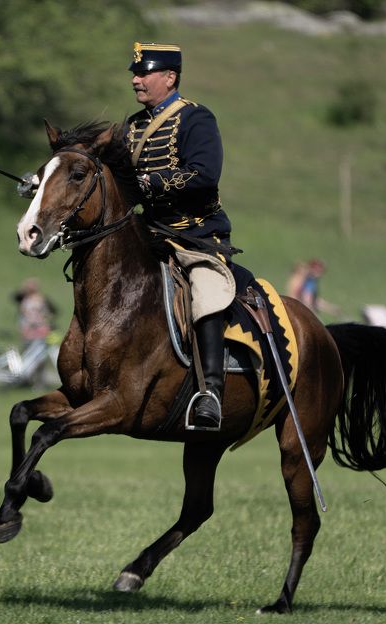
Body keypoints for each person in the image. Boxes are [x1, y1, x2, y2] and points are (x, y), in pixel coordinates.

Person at [125, 42, 236, 430]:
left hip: (196, 238)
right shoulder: (133, 126)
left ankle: (211, 394)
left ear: (169, 77)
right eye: (134, 74)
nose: (136, 80)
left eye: (144, 73)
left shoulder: (195, 119)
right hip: (150, 236)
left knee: (205, 291)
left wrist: (151, 182)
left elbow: (204, 173)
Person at [13, 278, 58, 351]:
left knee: (40, 350)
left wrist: (46, 318)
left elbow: (52, 311)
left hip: (40, 328)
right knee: (29, 350)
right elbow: (15, 297)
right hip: (28, 328)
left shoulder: (42, 299)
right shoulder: (24, 299)